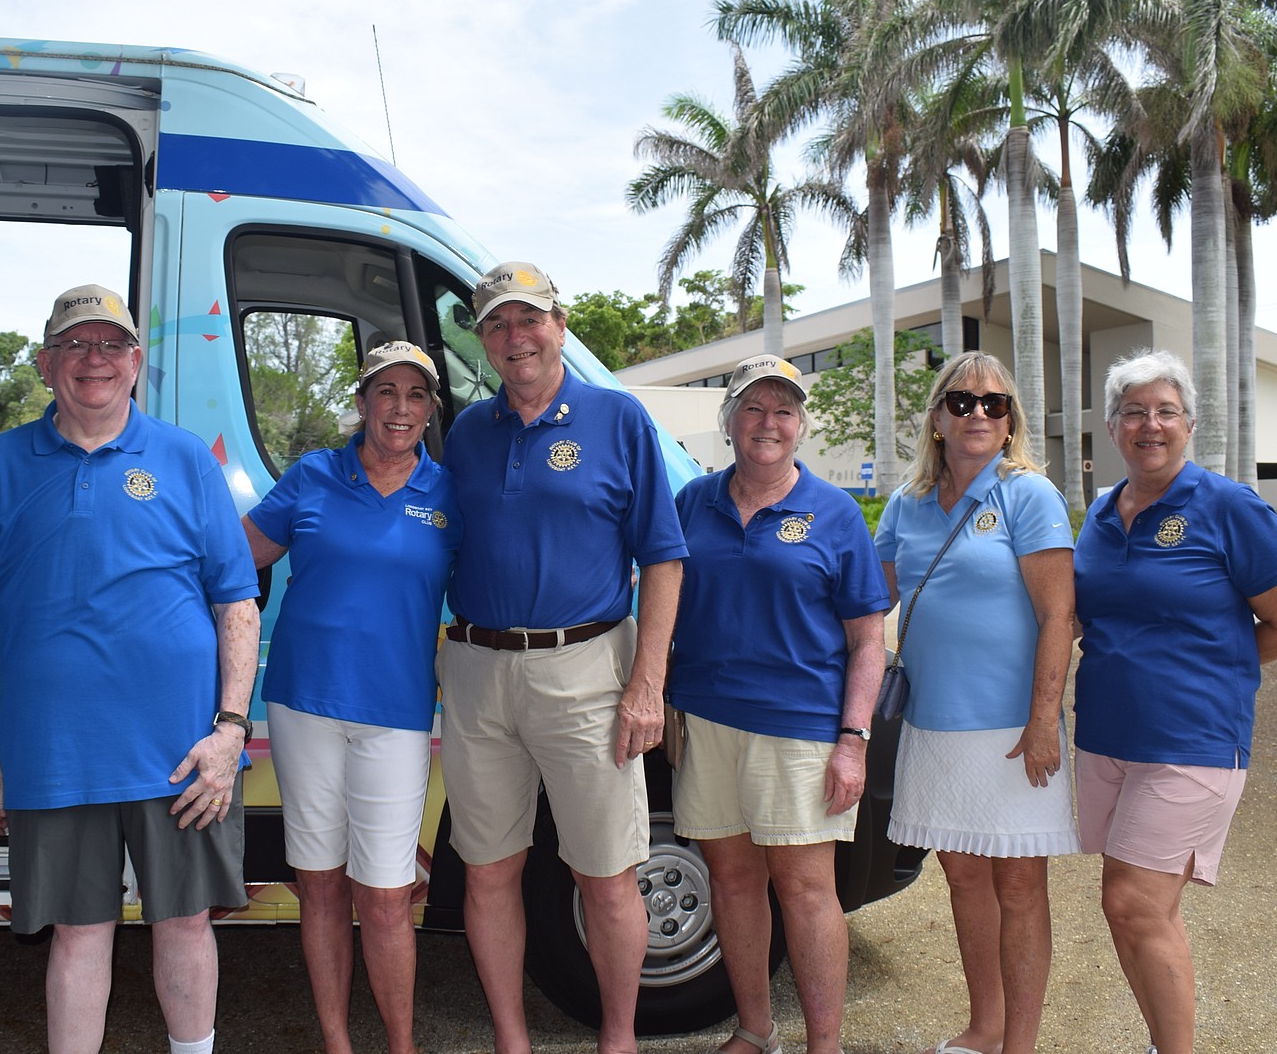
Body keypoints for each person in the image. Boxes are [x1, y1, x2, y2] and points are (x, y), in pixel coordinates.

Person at [0, 283, 260, 1054]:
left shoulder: (185, 458)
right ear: (48, 362)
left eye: (112, 345)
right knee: (79, 935)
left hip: (181, 755)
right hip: (55, 752)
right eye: (77, 345)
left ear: (137, 363)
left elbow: (237, 607)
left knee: (185, 923)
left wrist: (229, 733)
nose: (95, 361)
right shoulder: (0, 464)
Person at [437, 261, 687, 1054]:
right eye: (498, 325)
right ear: (482, 341)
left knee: (605, 873)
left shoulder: (617, 418)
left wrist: (647, 686)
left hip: (585, 670)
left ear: (560, 325)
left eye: (528, 320)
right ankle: (512, 1039)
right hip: (477, 671)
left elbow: (665, 558)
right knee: (488, 871)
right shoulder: (469, 431)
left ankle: (619, 1039)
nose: (515, 338)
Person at [1073, 349, 1277, 1054]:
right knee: (1136, 910)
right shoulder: (1101, 511)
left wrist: (1215, 671)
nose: (1150, 424)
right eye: (1134, 412)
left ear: (1189, 423)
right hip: (1110, 737)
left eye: (1165, 411)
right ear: (1114, 428)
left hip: (1193, 740)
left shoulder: (1227, 506)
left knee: (1133, 903)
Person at [240, 341, 461, 1054]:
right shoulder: (313, 474)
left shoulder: (449, 492)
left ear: (430, 409)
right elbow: (235, 556)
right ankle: (336, 1041)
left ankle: (401, 1046)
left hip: (395, 715)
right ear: (363, 402)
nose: (401, 408)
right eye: (386, 392)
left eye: (416, 395)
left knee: (389, 897)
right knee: (321, 886)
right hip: (304, 703)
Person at [668, 355, 888, 1054]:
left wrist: (853, 738)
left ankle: (824, 1044)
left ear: (800, 426)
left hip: (799, 728)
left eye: (784, 411)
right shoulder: (692, 503)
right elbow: (662, 607)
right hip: (706, 721)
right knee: (732, 882)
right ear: (729, 421)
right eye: (754, 409)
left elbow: (868, 639)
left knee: (806, 889)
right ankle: (757, 1030)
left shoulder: (834, 512)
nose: (769, 423)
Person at [873, 352, 1079, 1054]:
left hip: (1012, 730)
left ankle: (1018, 1044)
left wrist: (1044, 720)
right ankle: (985, 1028)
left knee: (1020, 883)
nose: (980, 415)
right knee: (963, 873)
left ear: (1011, 419)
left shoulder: (1028, 495)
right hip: (933, 724)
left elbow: (1059, 616)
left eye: (996, 404)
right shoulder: (906, 504)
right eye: (963, 402)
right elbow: (873, 598)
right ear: (937, 418)